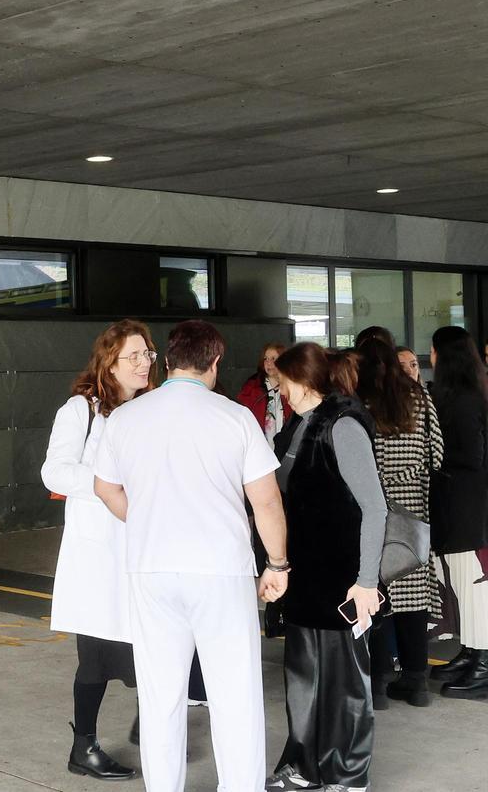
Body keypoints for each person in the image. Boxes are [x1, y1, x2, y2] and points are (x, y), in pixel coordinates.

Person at [93, 320, 289, 792]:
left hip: (151, 569)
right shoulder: (235, 417)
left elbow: (104, 487)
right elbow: (266, 501)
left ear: (167, 360)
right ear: (215, 362)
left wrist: (141, 521)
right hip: (219, 570)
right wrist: (278, 564)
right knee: (234, 692)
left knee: (161, 693)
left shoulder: (126, 418)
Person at [266, 341, 386, 792]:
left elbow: (375, 509)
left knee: (345, 685)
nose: (278, 388)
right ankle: (302, 765)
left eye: (282, 380)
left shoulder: (343, 425)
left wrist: (366, 582)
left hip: (343, 580)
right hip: (306, 577)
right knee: (302, 679)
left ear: (303, 379)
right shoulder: (303, 423)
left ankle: (348, 774)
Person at [41, 319, 155, 781]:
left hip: (143, 549)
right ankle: (83, 747)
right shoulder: (81, 410)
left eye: (148, 354)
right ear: (109, 361)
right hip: (98, 556)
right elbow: (54, 473)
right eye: (134, 356)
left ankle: (155, 730)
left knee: (152, 647)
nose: (145, 362)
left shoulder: (151, 409)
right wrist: (106, 487)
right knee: (97, 656)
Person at [356, 337, 444, 709]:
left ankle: (377, 686)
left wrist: (381, 484)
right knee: (414, 599)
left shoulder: (360, 403)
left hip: (373, 509)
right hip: (414, 513)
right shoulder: (420, 398)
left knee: (376, 595)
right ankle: (416, 682)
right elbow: (437, 454)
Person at [429, 326, 488, 699]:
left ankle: (482, 663)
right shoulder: (465, 394)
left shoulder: (464, 399)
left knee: (473, 586)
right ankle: (470, 651)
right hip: (462, 505)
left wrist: (435, 458)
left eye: (433, 352)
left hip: (469, 508)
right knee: (462, 586)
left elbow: (472, 456)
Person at [237, 343, 293, 445]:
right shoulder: (252, 387)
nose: (268, 363)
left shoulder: (293, 386)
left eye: (273, 359)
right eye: (265, 359)